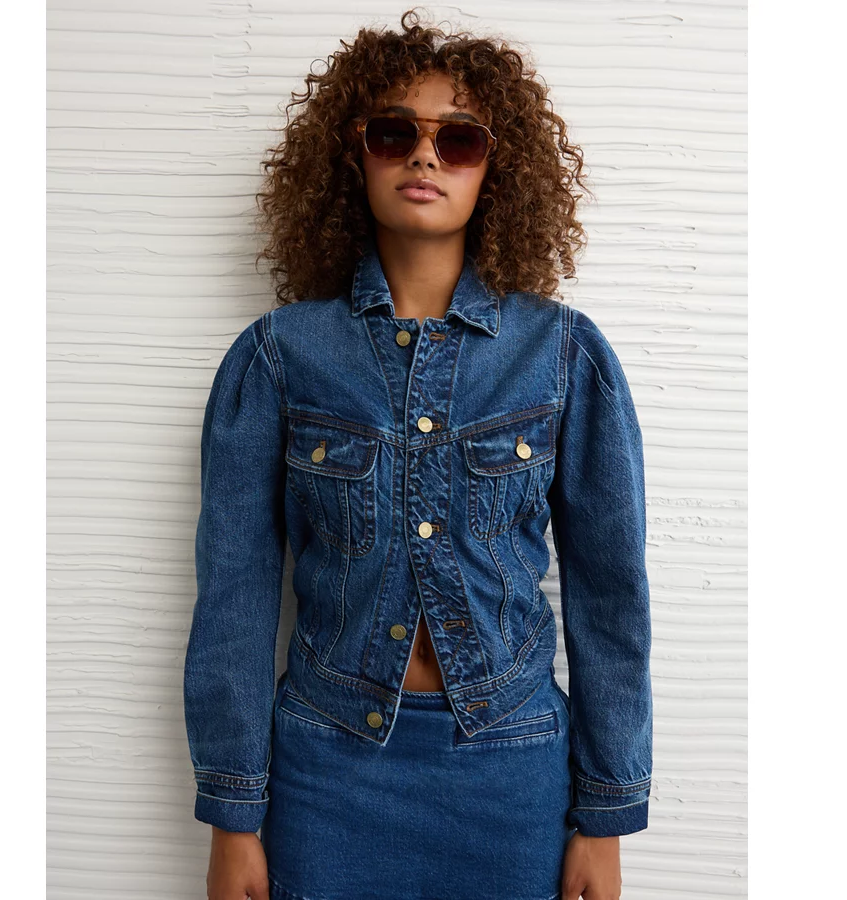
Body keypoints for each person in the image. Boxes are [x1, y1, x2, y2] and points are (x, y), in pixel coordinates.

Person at [183, 9, 653, 900]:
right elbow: (235, 599)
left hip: (511, 771)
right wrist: (233, 816)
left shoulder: (562, 355)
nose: (425, 157)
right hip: (327, 770)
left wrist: (607, 816)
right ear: (353, 156)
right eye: (395, 134)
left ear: (496, 170)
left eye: (459, 139)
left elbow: (610, 599)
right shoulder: (279, 358)